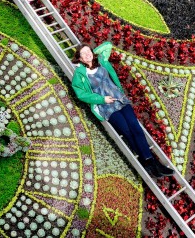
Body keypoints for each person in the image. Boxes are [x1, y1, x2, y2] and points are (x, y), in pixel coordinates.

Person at [71, 42, 173, 178]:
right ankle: (149, 163)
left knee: (135, 127)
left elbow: (107, 45)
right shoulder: (79, 74)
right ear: (80, 59)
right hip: (106, 106)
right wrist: (102, 99)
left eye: (88, 51)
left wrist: (93, 53)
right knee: (127, 131)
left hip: (119, 99)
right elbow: (81, 94)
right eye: (83, 54)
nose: (87, 54)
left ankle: (152, 162)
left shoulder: (101, 60)